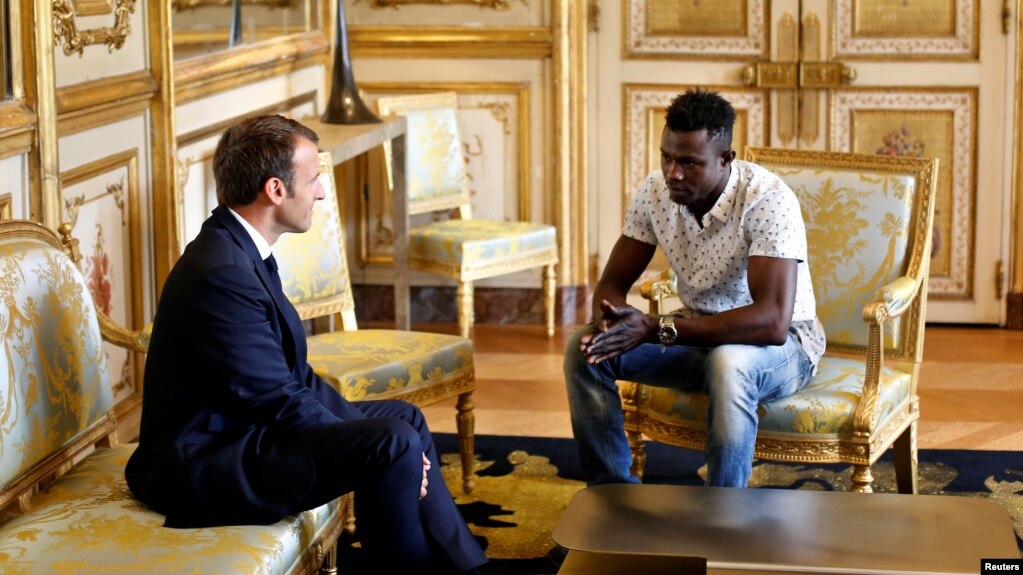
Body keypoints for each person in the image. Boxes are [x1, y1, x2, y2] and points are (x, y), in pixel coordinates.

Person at [125, 114, 487, 575]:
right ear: (276, 190)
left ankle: (468, 568)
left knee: (405, 420)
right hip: (208, 460)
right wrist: (364, 441)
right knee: (392, 442)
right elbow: (276, 397)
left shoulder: (238, 247)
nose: (320, 191)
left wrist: (360, 431)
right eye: (314, 179)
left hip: (246, 429)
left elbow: (294, 379)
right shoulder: (223, 273)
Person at [565, 88, 826, 488]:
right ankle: (612, 495)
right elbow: (612, 285)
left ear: (726, 159)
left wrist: (654, 328)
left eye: (689, 162)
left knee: (728, 363)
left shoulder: (767, 201)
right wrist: (611, 321)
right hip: (694, 331)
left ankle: (721, 516)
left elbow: (771, 322)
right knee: (584, 350)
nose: (673, 172)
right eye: (667, 157)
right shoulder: (656, 192)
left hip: (782, 346)